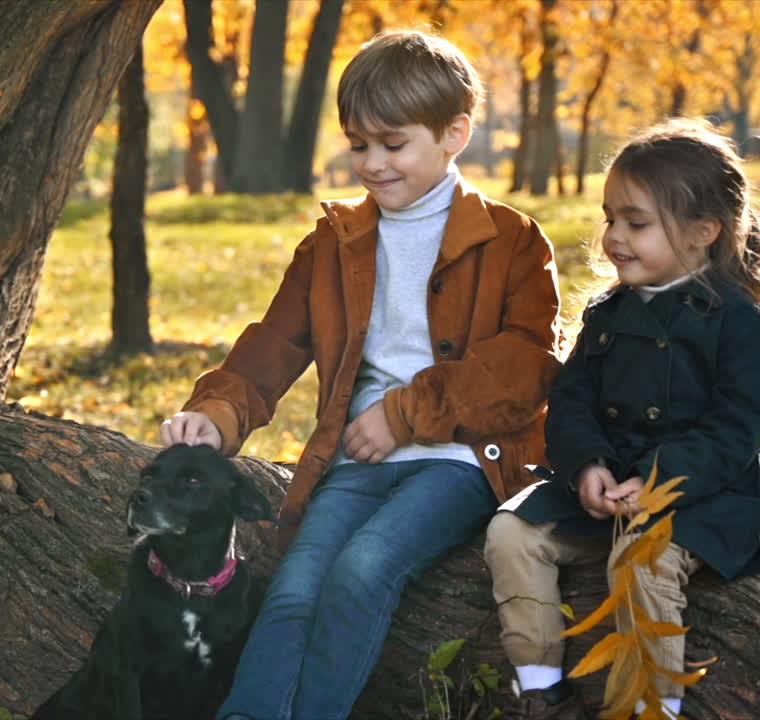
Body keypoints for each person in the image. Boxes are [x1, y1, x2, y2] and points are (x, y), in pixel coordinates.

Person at [159, 30, 564, 720]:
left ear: (454, 134)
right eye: (358, 145)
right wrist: (217, 414)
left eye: (393, 144)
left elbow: (526, 367)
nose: (372, 164)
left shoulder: (512, 240)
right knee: (292, 590)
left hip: (460, 461)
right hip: (355, 459)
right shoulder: (334, 241)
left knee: (362, 570)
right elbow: (273, 345)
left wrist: (406, 414)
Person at [483, 117, 760, 720]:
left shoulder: (736, 321)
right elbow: (572, 400)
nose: (614, 237)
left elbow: (736, 430)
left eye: (636, 223)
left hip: (703, 489)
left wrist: (659, 480)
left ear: (703, 231)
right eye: (610, 219)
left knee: (640, 557)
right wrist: (586, 467)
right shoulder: (608, 312)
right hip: (608, 484)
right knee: (511, 532)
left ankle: (650, 706)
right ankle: (541, 687)